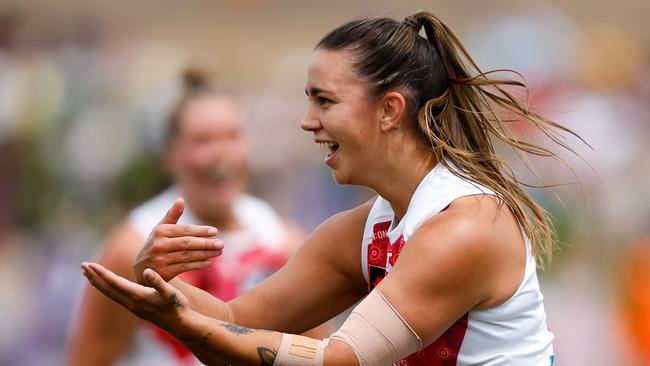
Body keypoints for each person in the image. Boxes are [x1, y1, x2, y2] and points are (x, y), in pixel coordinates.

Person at [81, 11, 584, 365]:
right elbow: (240, 318)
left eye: (324, 101)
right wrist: (160, 288)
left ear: (389, 110)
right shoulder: (367, 229)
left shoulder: (465, 226)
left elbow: (338, 358)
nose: (306, 121)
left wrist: (184, 321)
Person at [69, 69, 316, 366]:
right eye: (202, 140)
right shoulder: (133, 248)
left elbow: (314, 353)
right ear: (170, 154)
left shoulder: (281, 242)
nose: (220, 154)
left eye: (231, 136)